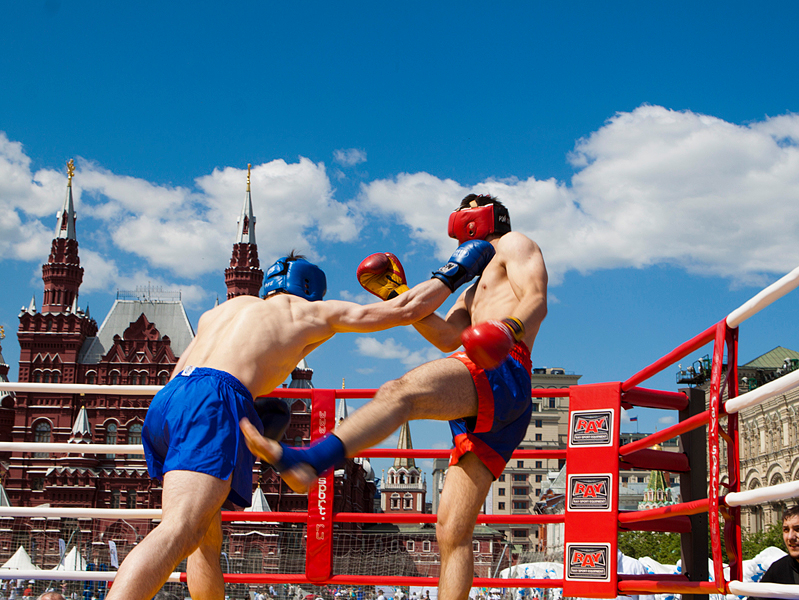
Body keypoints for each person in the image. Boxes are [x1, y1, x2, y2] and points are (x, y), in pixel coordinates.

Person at [105, 241, 495, 600]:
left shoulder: (222, 311)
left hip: (169, 402)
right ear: (311, 288)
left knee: (206, 535)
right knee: (180, 530)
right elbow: (406, 309)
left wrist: (242, 408)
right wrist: (458, 269)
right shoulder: (305, 310)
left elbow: (188, 372)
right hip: (213, 400)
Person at [242, 194, 548, 600]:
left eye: (468, 207)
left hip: (501, 365)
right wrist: (395, 292)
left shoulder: (515, 244)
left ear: (478, 218)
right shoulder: (473, 292)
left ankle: (310, 460)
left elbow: (536, 300)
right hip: (493, 393)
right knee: (452, 532)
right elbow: (445, 337)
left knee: (399, 392)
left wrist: (508, 329)